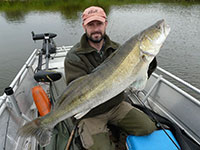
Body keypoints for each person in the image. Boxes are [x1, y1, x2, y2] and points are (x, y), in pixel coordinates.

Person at [64, 6, 157, 150]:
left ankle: (117, 137)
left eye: (99, 24)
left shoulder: (119, 49)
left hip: (116, 105)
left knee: (148, 128)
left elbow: (138, 79)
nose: (95, 29)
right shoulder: (74, 57)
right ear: (84, 26)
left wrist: (147, 61)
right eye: (90, 24)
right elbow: (76, 92)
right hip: (90, 113)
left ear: (105, 24)